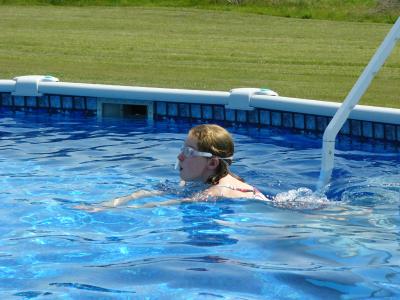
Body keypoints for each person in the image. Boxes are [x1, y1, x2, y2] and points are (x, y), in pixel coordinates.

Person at [76, 124, 268, 212]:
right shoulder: (200, 180)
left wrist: (120, 210)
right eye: (182, 148)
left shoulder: (220, 190)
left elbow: (171, 203)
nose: (180, 156)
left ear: (212, 163)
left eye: (189, 152)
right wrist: (106, 204)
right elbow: (151, 193)